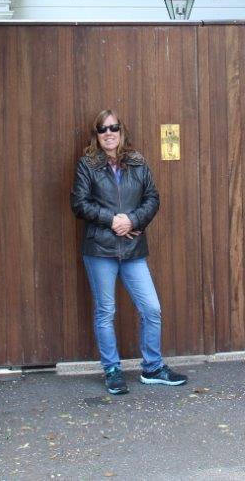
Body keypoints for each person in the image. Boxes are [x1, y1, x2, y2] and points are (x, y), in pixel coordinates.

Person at [70, 108, 189, 395]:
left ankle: (152, 368)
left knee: (151, 308)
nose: (108, 134)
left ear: (121, 131)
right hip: (100, 249)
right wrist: (112, 220)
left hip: (132, 247)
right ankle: (112, 370)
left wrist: (132, 220)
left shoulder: (138, 163)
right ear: (96, 135)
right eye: (102, 129)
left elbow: (153, 198)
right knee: (105, 311)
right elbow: (79, 203)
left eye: (113, 128)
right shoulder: (87, 165)